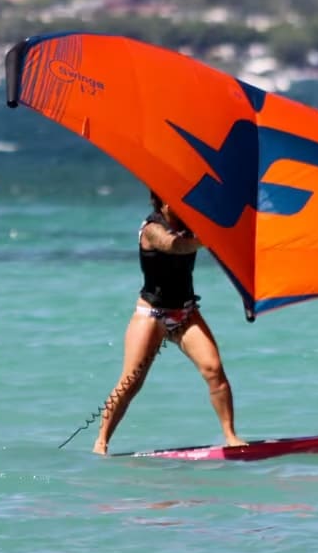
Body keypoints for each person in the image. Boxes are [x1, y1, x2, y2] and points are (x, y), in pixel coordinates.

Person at [92, 191, 247, 454]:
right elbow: (176, 246)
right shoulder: (153, 229)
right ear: (164, 202)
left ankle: (231, 436)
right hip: (152, 314)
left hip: (186, 313)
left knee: (214, 370)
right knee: (131, 382)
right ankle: (101, 442)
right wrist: (210, 238)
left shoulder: (192, 223)